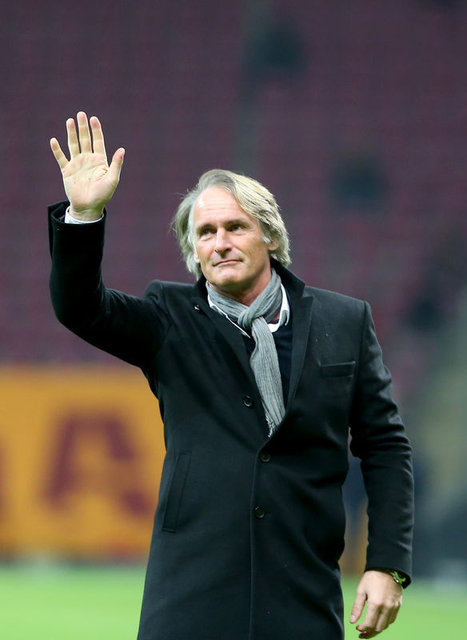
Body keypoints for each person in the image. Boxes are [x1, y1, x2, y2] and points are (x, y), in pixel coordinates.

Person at [48, 112, 414, 640]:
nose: (219, 242)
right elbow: (80, 308)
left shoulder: (344, 321)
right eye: (205, 233)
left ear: (270, 235)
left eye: (234, 227)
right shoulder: (169, 318)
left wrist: (387, 564)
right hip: (190, 594)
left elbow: (386, 446)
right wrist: (84, 215)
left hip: (302, 591)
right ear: (194, 252)